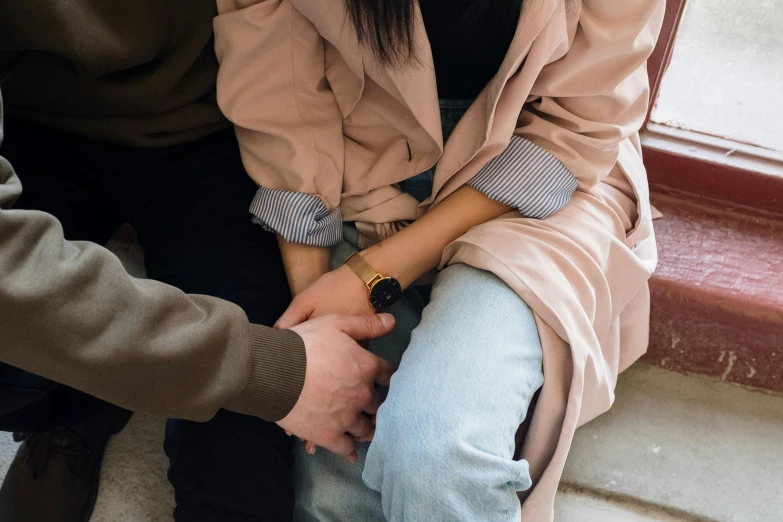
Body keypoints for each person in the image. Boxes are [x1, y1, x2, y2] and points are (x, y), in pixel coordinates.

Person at [214, 0, 664, 520]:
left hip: (543, 187)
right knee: (335, 495)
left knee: (439, 455)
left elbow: (575, 123)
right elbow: (279, 99)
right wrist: (323, 336)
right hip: (353, 168)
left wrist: (369, 278)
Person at [0, 2, 397, 521]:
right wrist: (270, 367)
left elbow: (281, 53)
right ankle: (77, 402)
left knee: (242, 475)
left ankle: (108, 374)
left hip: (221, 119)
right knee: (27, 358)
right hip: (28, 120)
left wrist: (300, 319)